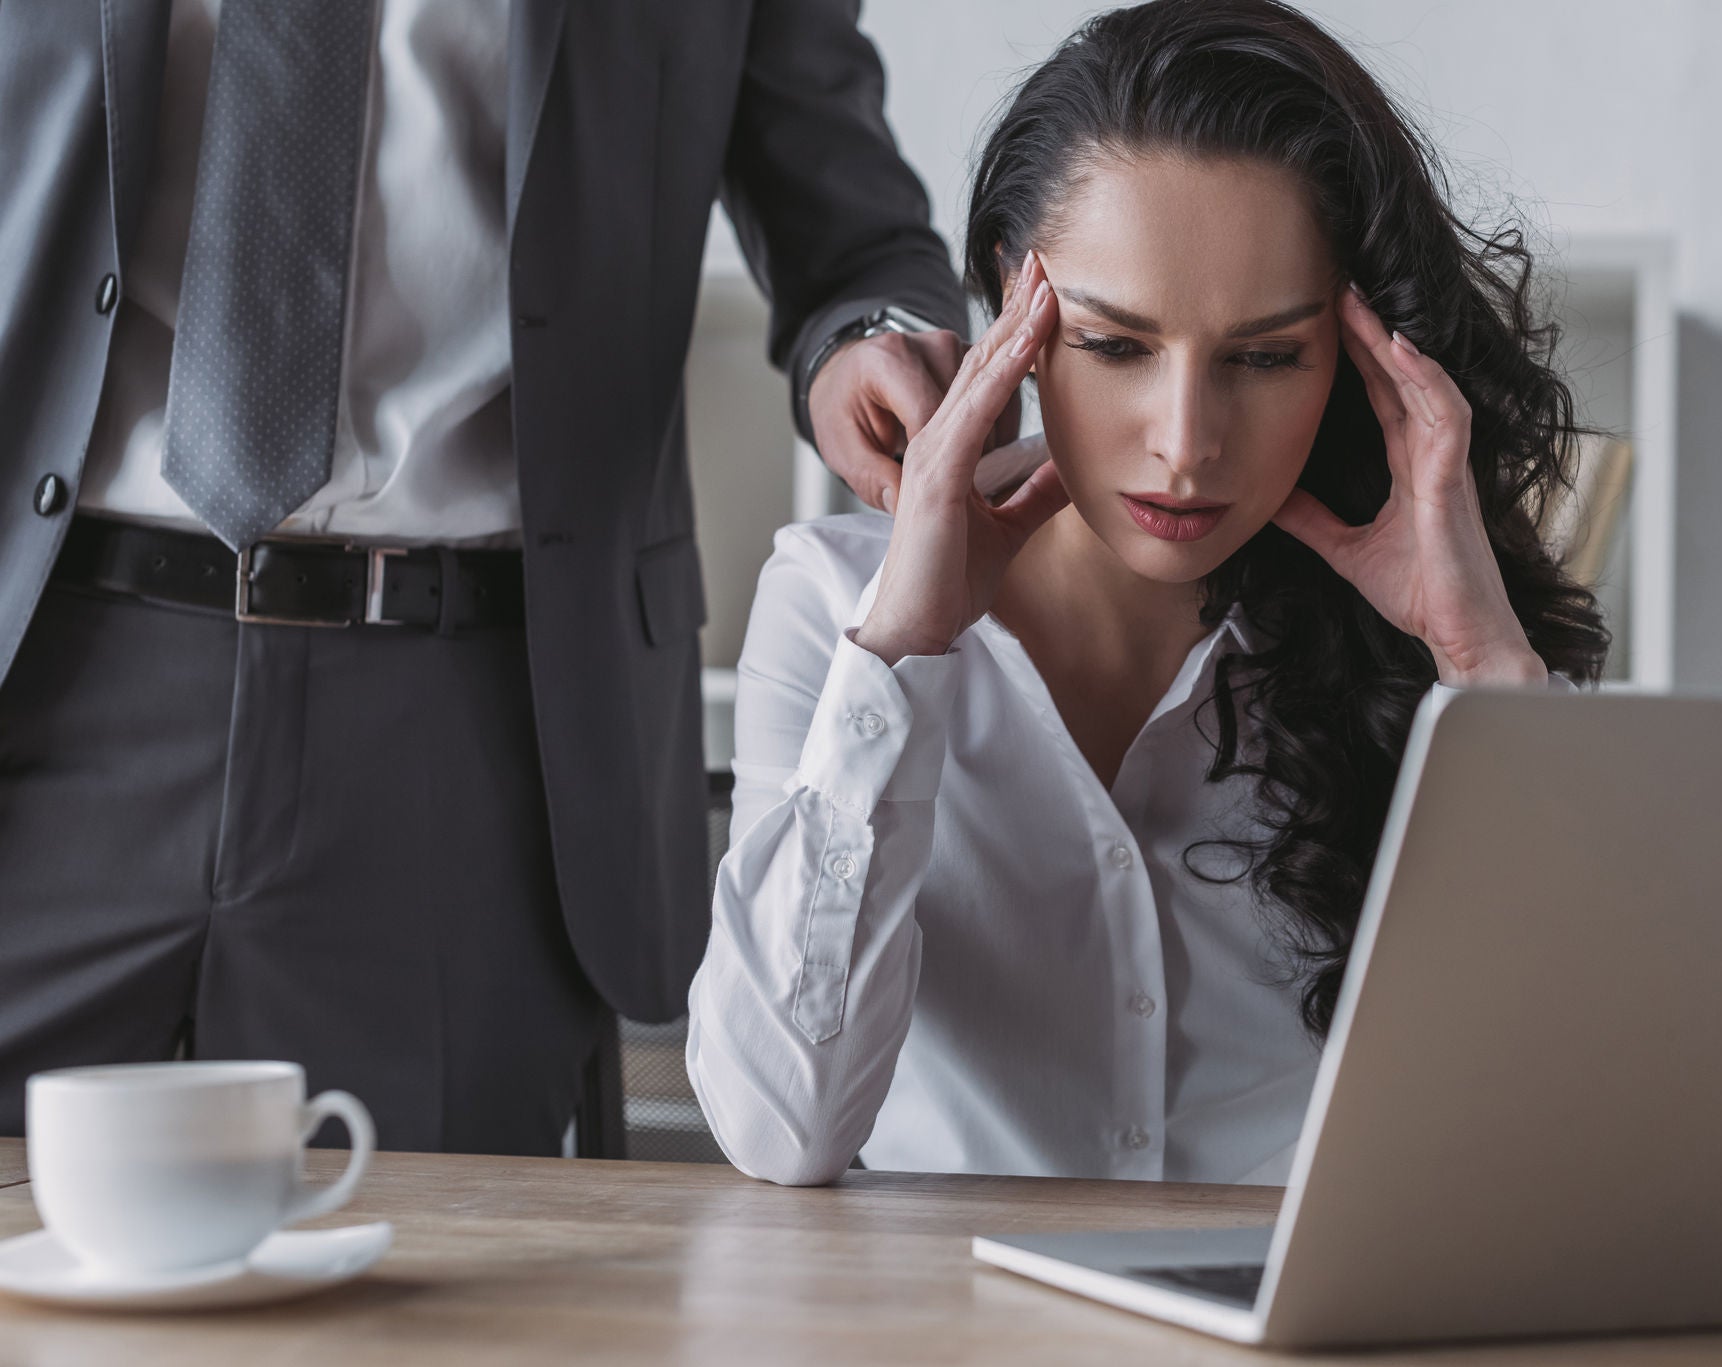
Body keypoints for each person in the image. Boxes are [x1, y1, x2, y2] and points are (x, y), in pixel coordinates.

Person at [0, 0, 986, 1155]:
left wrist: (866, 337)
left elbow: (847, 227)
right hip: (49, 660)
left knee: (415, 1304)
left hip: (461, 725)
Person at [685, 0, 1612, 1186]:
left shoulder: (1434, 645)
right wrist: (903, 648)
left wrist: (1481, 675)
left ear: (1357, 359)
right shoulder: (833, 607)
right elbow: (779, 1129)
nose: (1184, 445)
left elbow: (1562, 1135)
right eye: (1116, 346)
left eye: (1264, 356)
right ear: (1011, 333)